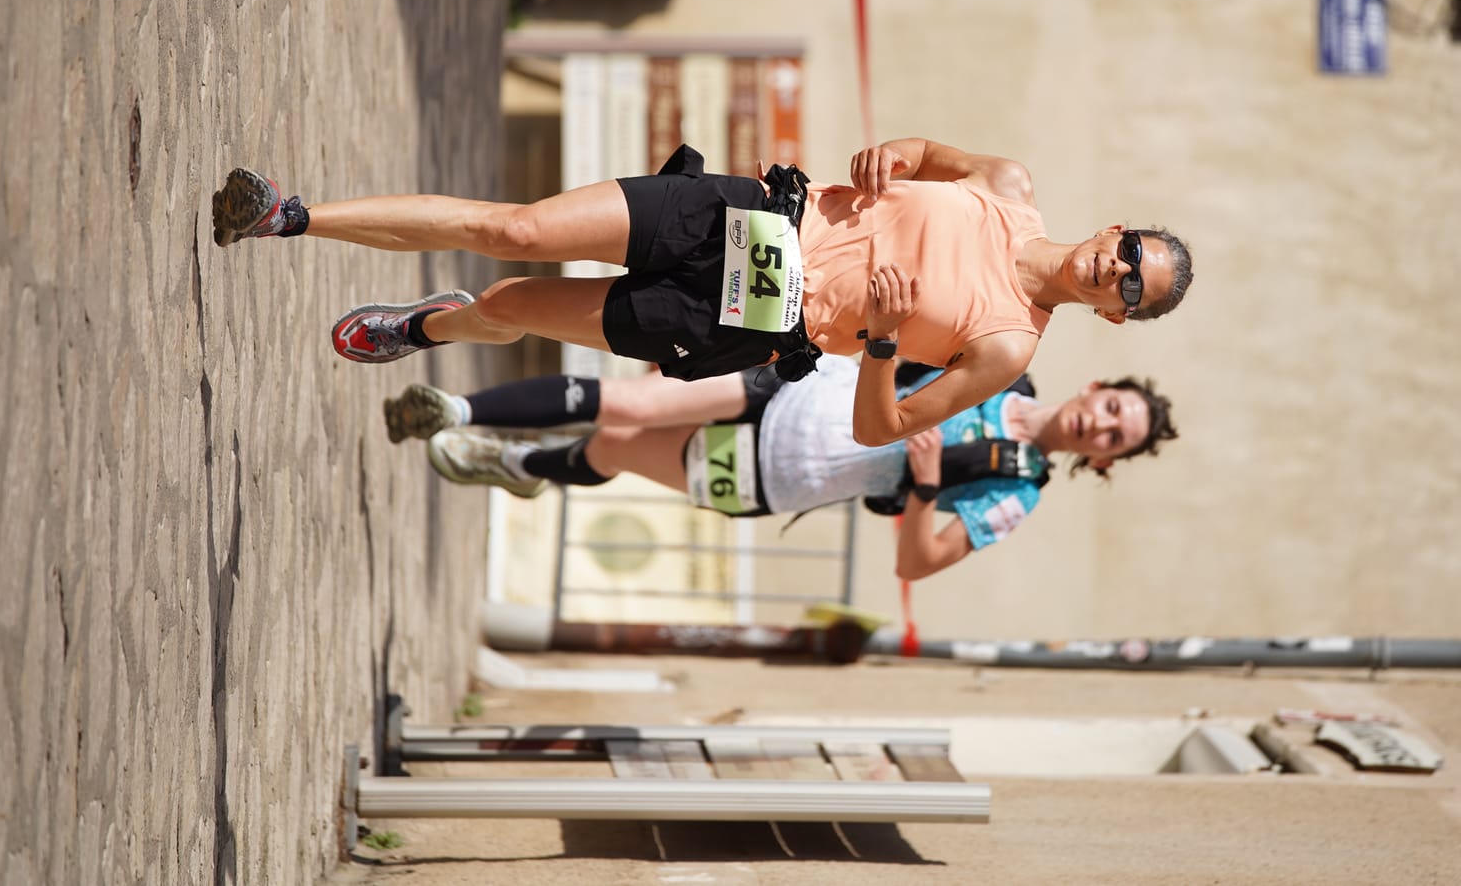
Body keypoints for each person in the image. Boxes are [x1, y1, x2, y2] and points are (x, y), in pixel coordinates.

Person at [209, 135, 1193, 445]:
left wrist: (886, 344)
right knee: (516, 227)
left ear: (1116, 316)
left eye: (1130, 291)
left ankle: (437, 327)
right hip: (751, 216)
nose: (1115, 270)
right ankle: (287, 216)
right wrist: (897, 148)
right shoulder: (1006, 184)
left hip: (746, 318)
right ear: (1115, 230)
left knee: (511, 300)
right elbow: (924, 153)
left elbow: (880, 430)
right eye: (1129, 253)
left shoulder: (1008, 347)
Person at [385, 357, 1177, 581]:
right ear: (1097, 388)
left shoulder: (1015, 493)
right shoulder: (1008, 366)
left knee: (616, 441)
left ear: (1103, 462)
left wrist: (928, 485)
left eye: (1116, 439)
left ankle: (521, 462)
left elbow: (917, 562)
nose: (1101, 426)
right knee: (627, 399)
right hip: (787, 386)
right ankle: (459, 408)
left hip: (782, 471)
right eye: (1113, 409)